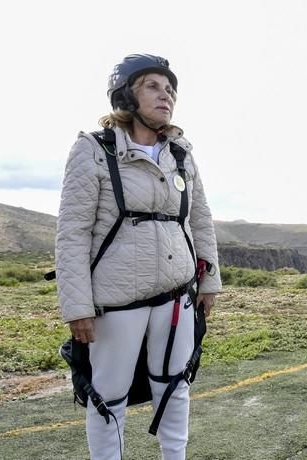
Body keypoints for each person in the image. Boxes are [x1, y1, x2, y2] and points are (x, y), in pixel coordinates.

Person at [55, 53, 221, 459]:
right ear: (126, 95)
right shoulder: (94, 150)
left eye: (170, 90)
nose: (166, 96)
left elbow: (199, 220)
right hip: (115, 301)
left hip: (177, 296)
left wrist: (209, 281)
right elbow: (72, 233)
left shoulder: (181, 154)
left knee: (175, 385)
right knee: (107, 396)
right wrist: (77, 307)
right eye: (153, 86)